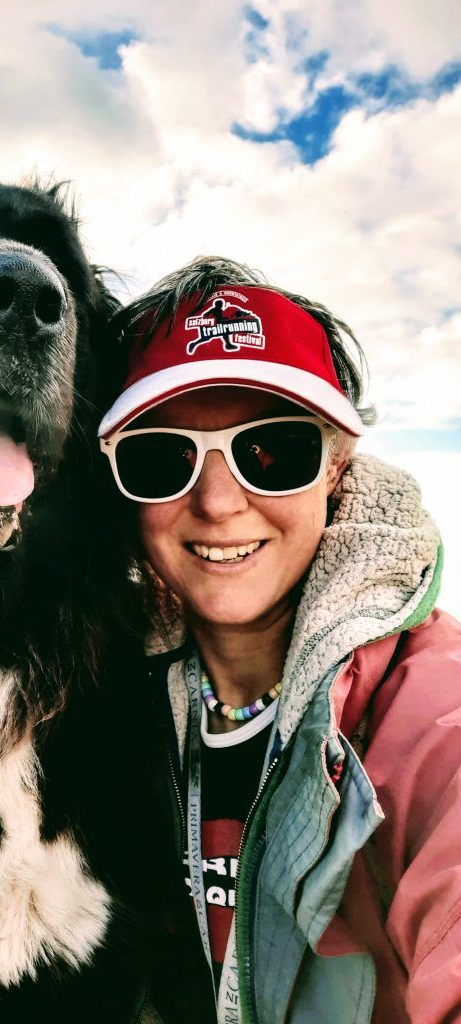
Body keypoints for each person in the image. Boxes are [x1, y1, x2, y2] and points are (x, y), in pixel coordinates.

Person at [98, 257, 460, 1023]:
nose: (220, 503)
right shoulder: (94, 707)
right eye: (163, 458)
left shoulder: (434, 719)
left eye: (272, 451)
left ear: (336, 465)